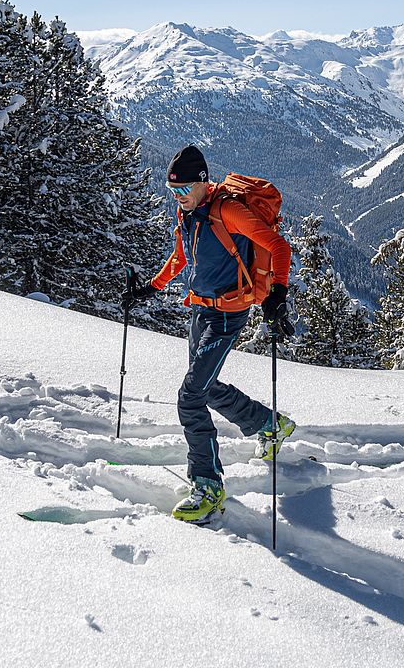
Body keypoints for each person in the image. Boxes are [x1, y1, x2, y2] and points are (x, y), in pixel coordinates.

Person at [123, 145, 297, 524]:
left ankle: (208, 485)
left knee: (189, 397)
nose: (178, 197)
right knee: (205, 386)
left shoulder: (229, 211)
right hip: (200, 311)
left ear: (203, 182)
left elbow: (277, 246)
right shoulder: (189, 213)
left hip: (227, 315)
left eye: (184, 189)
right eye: (173, 191)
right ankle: (269, 424)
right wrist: (151, 288)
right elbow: (182, 257)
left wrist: (278, 295)